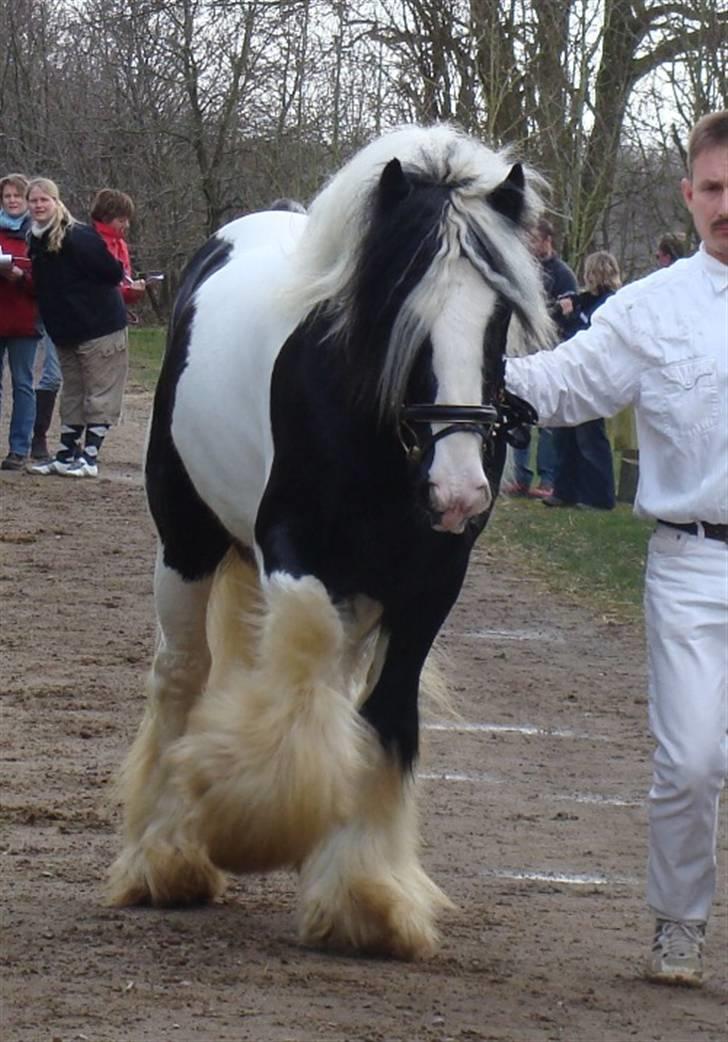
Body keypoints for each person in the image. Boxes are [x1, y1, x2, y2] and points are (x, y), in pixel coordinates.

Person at [506, 111, 728, 986]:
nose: (726, 205)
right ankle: (680, 921)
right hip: (693, 563)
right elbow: (565, 384)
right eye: (712, 188)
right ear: (688, 193)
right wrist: (464, 364)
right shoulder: (650, 309)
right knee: (691, 761)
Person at [25, 178, 129, 478]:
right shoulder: (37, 239)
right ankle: (66, 453)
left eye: (44, 200)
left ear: (57, 202)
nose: (39, 205)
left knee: (99, 393)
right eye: (34, 201)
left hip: (99, 327)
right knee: (72, 393)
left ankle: (90, 457)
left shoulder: (78, 236)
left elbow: (112, 272)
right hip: (66, 330)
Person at [503, 216, 578, 497]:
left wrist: (542, 314)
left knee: (546, 418)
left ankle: (547, 479)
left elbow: (566, 309)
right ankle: (521, 476)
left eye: (534, 239)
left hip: (548, 350)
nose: (529, 244)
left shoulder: (562, 274)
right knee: (517, 412)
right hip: (522, 349)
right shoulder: (523, 271)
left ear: (547, 240)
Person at [542, 251, 620, 510]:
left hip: (594, 377)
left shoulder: (610, 304)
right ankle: (565, 491)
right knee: (564, 434)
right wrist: (564, 309)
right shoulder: (586, 300)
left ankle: (599, 497)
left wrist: (572, 316)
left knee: (589, 437)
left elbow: (590, 338)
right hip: (570, 374)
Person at [0, 172, 41, 470]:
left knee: (23, 383)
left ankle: (18, 448)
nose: (12, 200)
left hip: (26, 320)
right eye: (7, 196)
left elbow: (47, 283)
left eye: (17, 195)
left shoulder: (37, 234)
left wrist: (19, 277)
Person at [90, 189, 146, 308]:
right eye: (121, 221)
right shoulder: (91, 244)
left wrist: (132, 292)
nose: (127, 225)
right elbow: (97, 291)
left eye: (127, 220)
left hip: (116, 314)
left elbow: (123, 282)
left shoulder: (120, 244)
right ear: (105, 219)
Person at [31, 333, 62, 462]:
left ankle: (73, 439)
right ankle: (39, 435)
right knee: (52, 377)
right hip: (55, 321)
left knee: (78, 382)